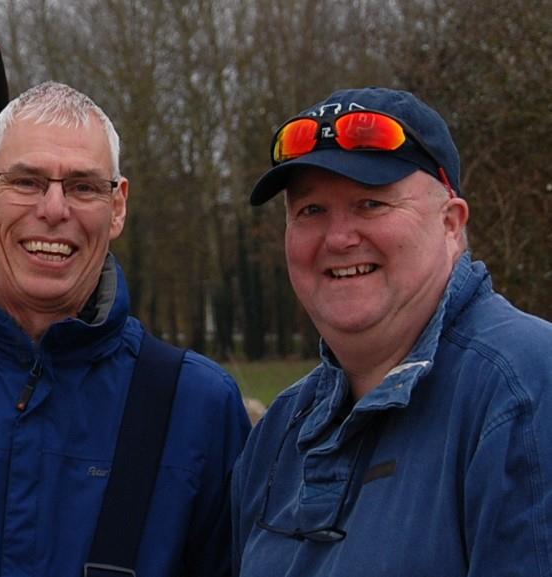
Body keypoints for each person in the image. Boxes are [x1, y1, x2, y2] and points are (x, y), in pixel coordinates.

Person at [0, 81, 251, 577]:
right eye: (26, 181)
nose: (55, 210)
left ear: (117, 206)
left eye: (83, 187)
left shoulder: (200, 407)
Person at [231, 87, 552, 576]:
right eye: (311, 211)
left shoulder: (523, 392)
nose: (339, 238)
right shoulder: (280, 432)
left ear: (451, 223)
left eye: (371, 204)